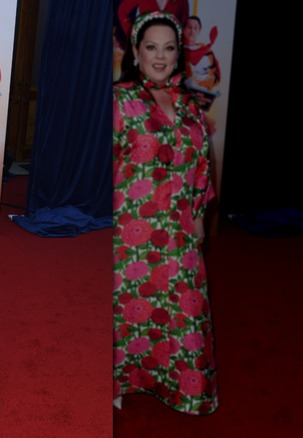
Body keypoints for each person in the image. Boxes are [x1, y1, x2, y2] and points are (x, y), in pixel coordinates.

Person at [112, 11, 218, 415]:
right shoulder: (120, 101)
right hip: (130, 232)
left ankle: (185, 389)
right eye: (151, 47)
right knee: (132, 308)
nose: (160, 56)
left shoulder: (190, 107)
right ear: (136, 53)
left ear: (179, 55)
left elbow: (201, 168)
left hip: (178, 229)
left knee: (184, 308)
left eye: (169, 48)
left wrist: (196, 217)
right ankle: (122, 381)